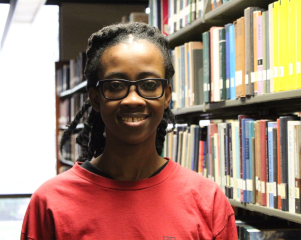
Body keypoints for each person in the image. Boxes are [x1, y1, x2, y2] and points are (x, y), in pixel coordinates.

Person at [21, 22, 238, 240]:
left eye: (150, 84)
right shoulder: (50, 203)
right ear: (95, 98)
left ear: (167, 95)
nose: (133, 99)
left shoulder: (208, 201)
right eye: (115, 85)